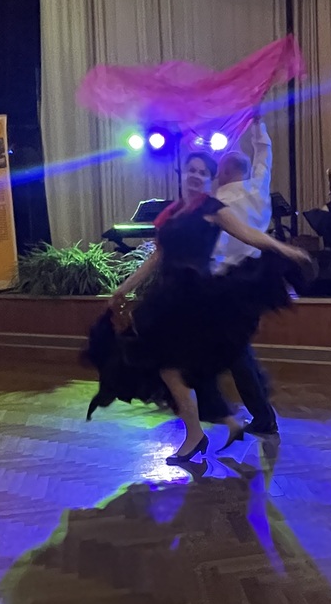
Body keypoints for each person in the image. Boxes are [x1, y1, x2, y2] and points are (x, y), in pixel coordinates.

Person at [84, 151, 309, 463]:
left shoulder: (211, 208)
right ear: (183, 173)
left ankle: (201, 432)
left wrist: (284, 249)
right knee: (169, 369)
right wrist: (123, 288)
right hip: (167, 300)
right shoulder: (172, 213)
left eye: (203, 172)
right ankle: (203, 430)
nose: (196, 175)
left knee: (175, 368)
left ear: (209, 180)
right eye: (192, 169)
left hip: (195, 299)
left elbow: (249, 234)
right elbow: (156, 257)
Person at [202, 112, 280, 436]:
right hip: (256, 278)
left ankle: (261, 414)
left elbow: (214, 249)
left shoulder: (217, 203)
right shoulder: (258, 187)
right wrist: (257, 124)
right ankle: (255, 401)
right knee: (234, 346)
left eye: (218, 171)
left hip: (228, 282)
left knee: (233, 350)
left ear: (225, 172)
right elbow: (264, 153)